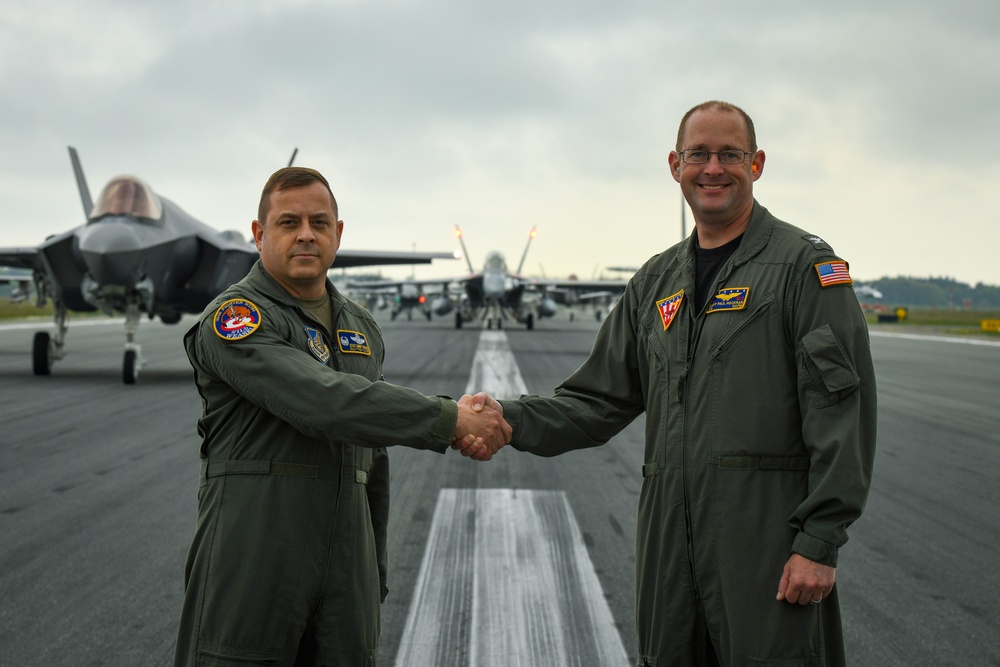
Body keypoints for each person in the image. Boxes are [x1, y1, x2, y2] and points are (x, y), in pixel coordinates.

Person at [462, 101, 877, 665]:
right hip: (668, 551)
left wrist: (819, 541)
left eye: (729, 154)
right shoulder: (655, 281)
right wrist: (509, 420)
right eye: (697, 155)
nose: (712, 169)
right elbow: (597, 399)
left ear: (756, 164)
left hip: (765, 547)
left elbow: (841, 413)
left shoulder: (803, 270)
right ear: (674, 165)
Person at [173, 166, 509, 666]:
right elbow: (324, 399)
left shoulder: (360, 325)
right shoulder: (235, 319)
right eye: (289, 223)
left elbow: (370, 455)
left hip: (346, 577)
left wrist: (371, 570)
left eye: (319, 222)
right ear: (259, 235)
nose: (306, 234)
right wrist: (450, 419)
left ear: (338, 233)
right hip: (253, 563)